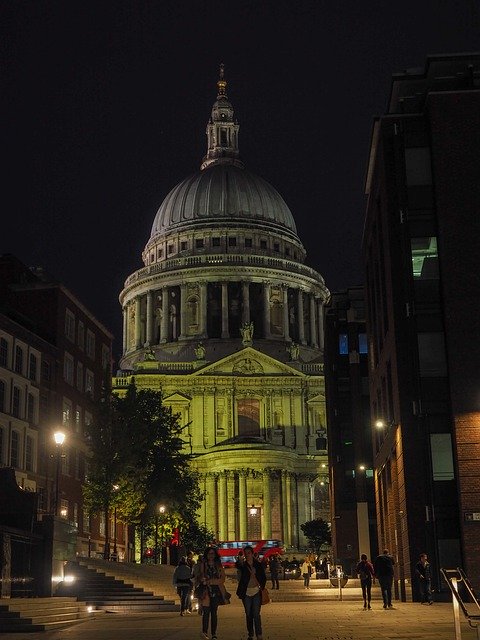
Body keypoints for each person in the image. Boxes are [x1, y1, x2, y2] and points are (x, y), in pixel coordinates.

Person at [236, 544, 267, 640]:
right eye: (246, 553)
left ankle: (259, 633)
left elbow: (263, 578)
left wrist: (260, 587)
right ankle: (250, 634)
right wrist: (239, 560)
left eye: (249, 553)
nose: (247, 555)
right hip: (246, 593)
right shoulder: (243, 565)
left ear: (252, 554)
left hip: (256, 592)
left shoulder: (258, 565)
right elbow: (237, 566)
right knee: (248, 614)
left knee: (256, 614)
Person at [197, 546, 228, 640]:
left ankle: (214, 634)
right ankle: (205, 632)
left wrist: (211, 581)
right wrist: (202, 579)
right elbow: (199, 576)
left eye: (212, 553)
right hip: (206, 591)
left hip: (216, 591)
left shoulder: (218, 565)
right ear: (206, 555)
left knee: (214, 613)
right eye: (209, 553)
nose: (211, 555)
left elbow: (222, 579)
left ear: (215, 555)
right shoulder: (203, 564)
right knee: (206, 612)